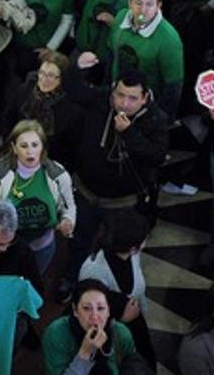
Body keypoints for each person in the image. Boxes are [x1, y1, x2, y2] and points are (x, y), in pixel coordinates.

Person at [59, 66, 170, 298]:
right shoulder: (102, 100)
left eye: (132, 98)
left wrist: (130, 134)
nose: (124, 104)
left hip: (122, 203)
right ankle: (70, 279)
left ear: (145, 98)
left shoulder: (155, 119)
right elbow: (74, 89)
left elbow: (157, 156)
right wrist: (76, 65)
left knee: (117, 247)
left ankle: (113, 294)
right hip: (87, 192)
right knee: (79, 241)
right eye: (120, 95)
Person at [0, 120, 76, 275]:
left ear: (43, 147)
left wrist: (67, 220)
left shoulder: (57, 174)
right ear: (14, 148)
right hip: (3, 246)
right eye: (24, 146)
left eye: (35, 145)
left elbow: (68, 206)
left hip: (41, 246)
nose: (30, 151)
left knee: (31, 283)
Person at [78, 210, 154, 366]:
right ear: (133, 247)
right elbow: (89, 316)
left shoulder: (131, 254)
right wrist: (122, 320)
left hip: (134, 323)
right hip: (112, 334)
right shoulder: (93, 271)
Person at [42, 278, 139, 375]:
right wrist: (84, 353)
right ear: (75, 310)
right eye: (87, 308)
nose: (94, 316)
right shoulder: (56, 335)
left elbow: (134, 366)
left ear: (108, 311)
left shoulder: (120, 333)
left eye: (100, 308)